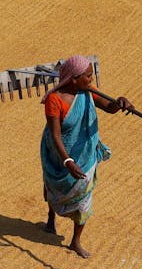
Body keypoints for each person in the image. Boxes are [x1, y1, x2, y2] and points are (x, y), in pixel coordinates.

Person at [40, 55, 132, 258]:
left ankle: (75, 241)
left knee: (84, 199)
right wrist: (67, 161)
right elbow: (55, 135)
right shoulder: (54, 101)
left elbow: (109, 107)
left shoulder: (87, 92)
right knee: (54, 187)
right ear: (73, 79)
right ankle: (50, 217)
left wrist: (119, 103)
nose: (91, 80)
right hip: (59, 154)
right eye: (88, 76)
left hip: (85, 156)